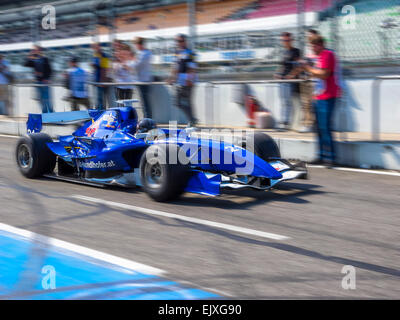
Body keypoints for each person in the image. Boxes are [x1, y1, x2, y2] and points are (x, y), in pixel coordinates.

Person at [300, 35, 341, 166]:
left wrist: (308, 68)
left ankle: (331, 157)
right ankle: (322, 155)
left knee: (325, 127)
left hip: (328, 96)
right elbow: (317, 74)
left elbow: (324, 74)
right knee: (318, 128)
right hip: (319, 96)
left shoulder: (327, 54)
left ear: (320, 45)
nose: (312, 48)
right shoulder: (321, 57)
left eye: (313, 46)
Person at [168, 34, 198, 127]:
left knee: (187, 101)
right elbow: (175, 67)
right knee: (177, 102)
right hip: (180, 81)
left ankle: (192, 121)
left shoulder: (190, 53)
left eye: (181, 41)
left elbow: (192, 67)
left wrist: (189, 79)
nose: (179, 43)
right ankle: (192, 119)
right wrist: (171, 78)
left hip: (188, 81)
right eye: (177, 41)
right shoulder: (177, 53)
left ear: (185, 41)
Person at [274, 32, 301, 130]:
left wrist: (290, 76)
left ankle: (286, 123)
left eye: (287, 40)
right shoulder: (284, 52)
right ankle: (282, 121)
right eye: (284, 40)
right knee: (283, 101)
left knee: (287, 102)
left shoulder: (296, 51)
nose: (285, 42)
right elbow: (283, 66)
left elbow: (298, 66)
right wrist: (277, 73)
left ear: (291, 40)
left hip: (289, 80)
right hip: (282, 80)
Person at [24, 45, 53, 113]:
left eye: (36, 50)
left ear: (40, 50)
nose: (35, 51)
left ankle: (51, 114)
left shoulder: (45, 58)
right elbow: (25, 64)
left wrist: (46, 78)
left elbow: (50, 70)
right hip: (37, 83)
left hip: (44, 82)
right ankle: (45, 114)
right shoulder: (34, 59)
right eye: (33, 50)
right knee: (40, 100)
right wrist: (30, 54)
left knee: (47, 99)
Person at [132, 37, 153, 118]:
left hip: (143, 81)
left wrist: (133, 60)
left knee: (145, 103)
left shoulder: (144, 53)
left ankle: (147, 119)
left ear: (139, 44)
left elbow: (136, 66)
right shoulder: (144, 53)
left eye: (135, 44)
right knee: (144, 102)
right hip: (142, 80)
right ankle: (147, 118)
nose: (135, 47)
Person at [92, 43, 112, 110]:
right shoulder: (95, 55)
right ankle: (100, 110)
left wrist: (102, 80)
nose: (95, 48)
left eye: (96, 47)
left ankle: (102, 111)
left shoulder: (104, 55)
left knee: (101, 98)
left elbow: (105, 69)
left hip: (101, 80)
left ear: (99, 47)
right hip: (96, 80)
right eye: (94, 47)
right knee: (98, 98)